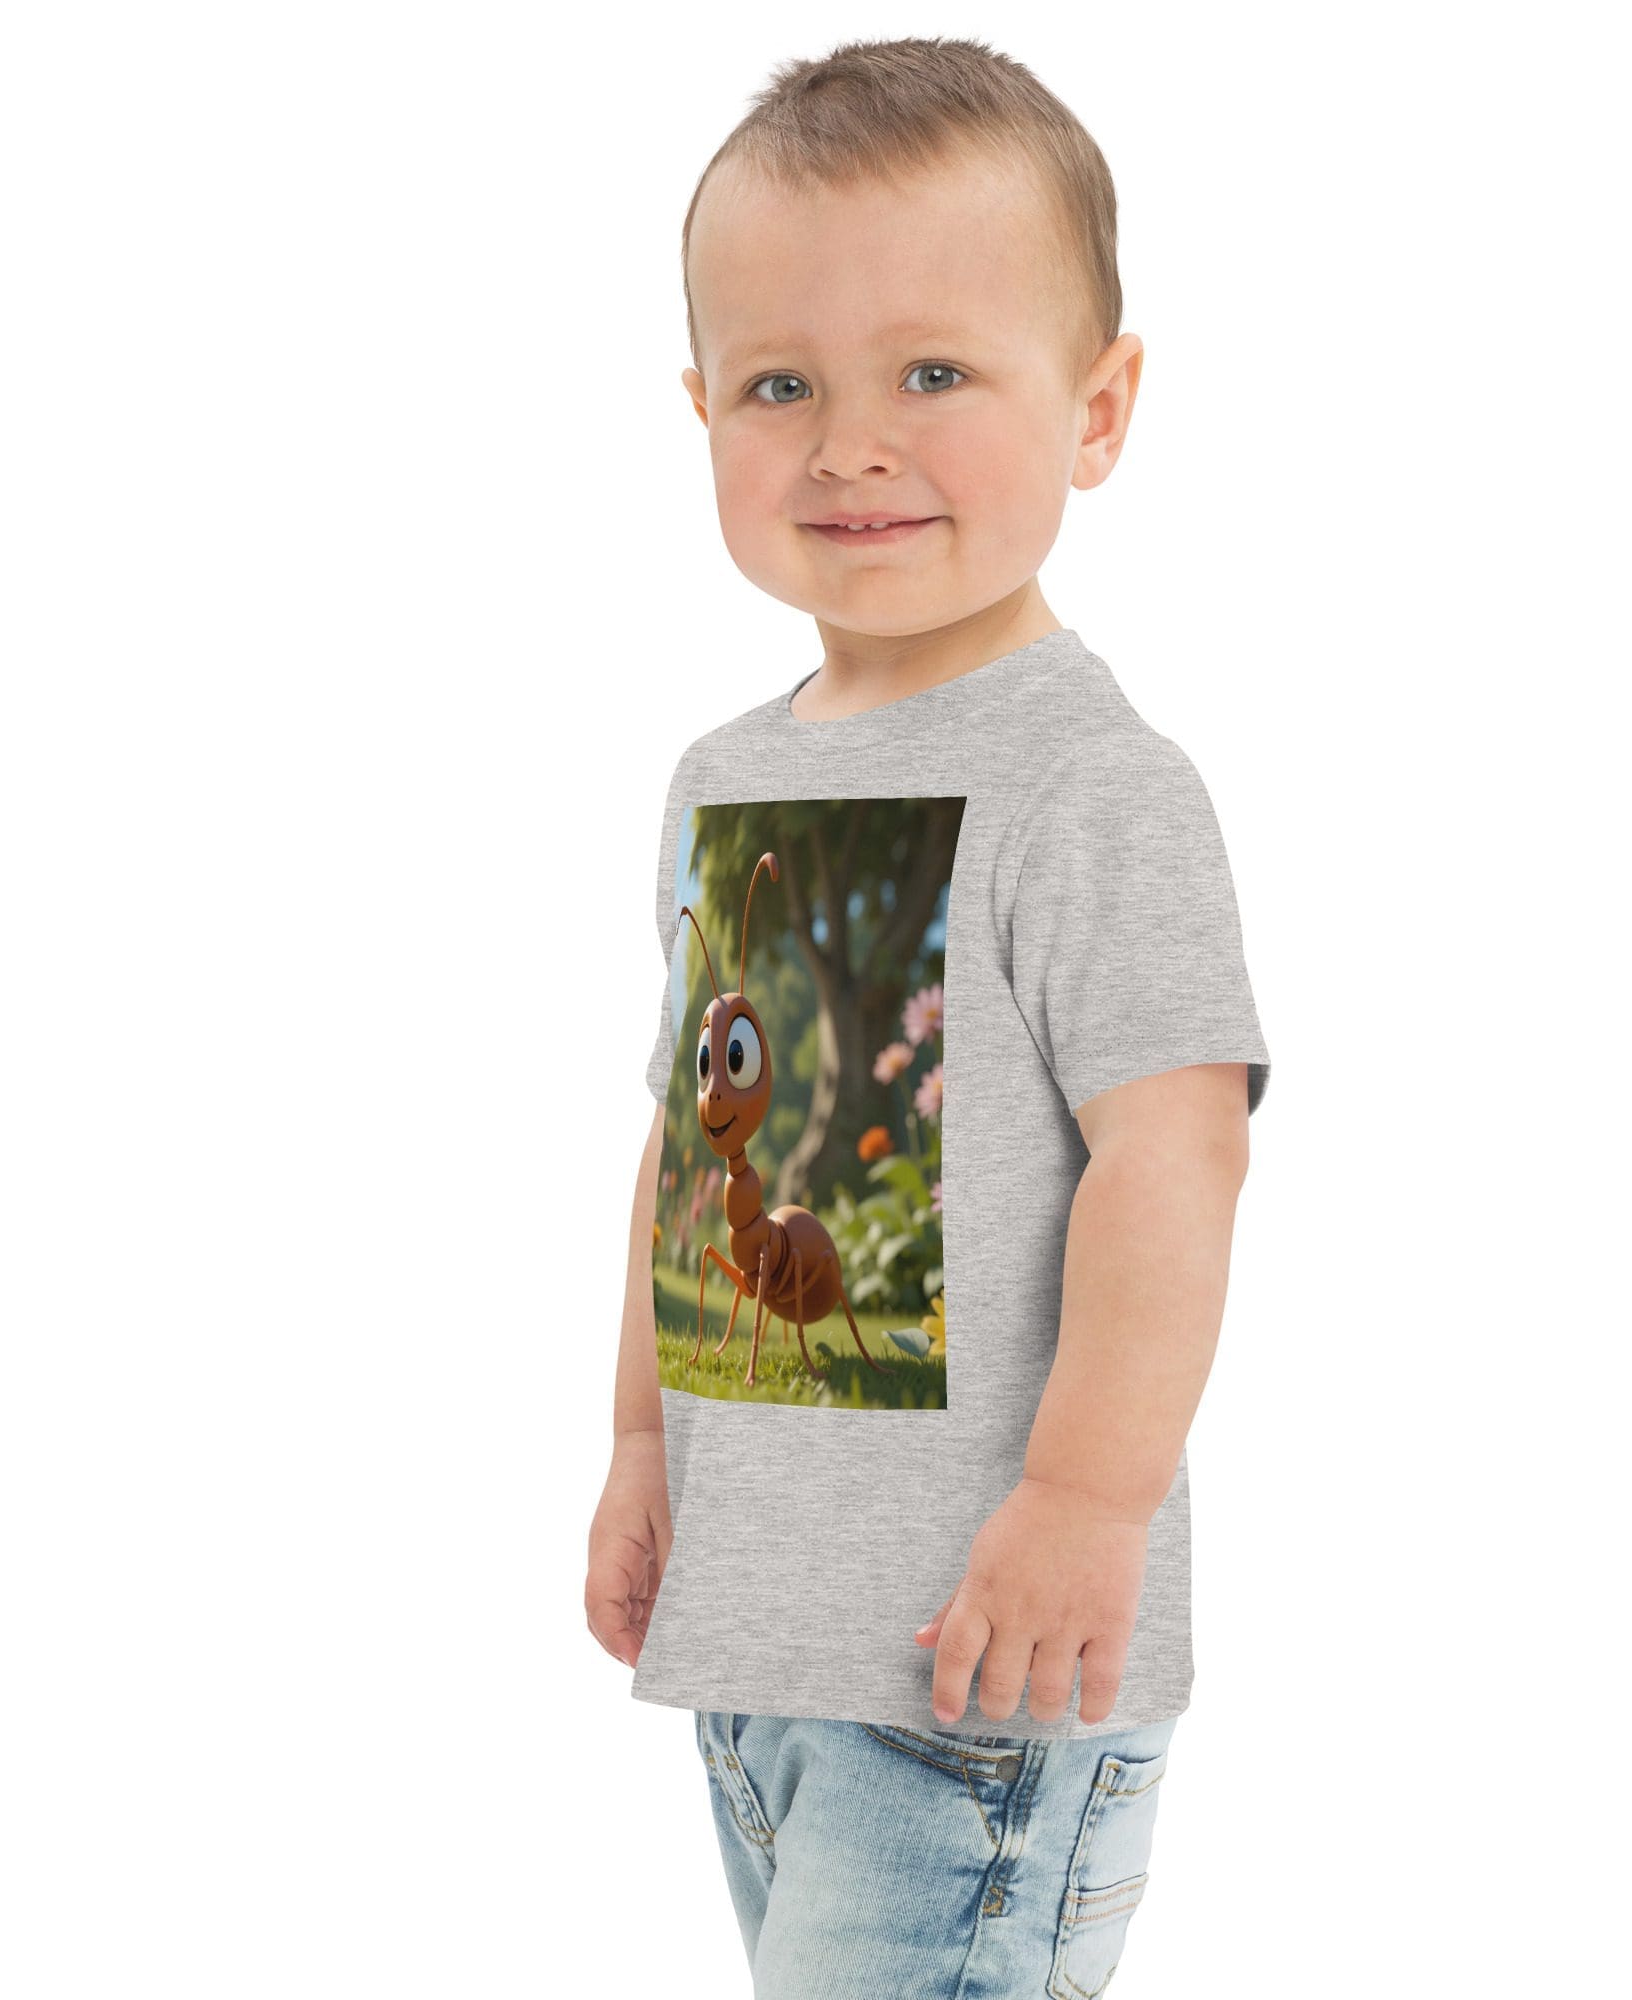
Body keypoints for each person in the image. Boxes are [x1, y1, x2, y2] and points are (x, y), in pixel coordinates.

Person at [585, 36, 1272, 1998]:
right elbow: (692, 1151)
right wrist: (641, 1439)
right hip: (763, 1660)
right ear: (702, 408)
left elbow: (1176, 1152)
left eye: (935, 375)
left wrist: (1085, 1497)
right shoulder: (723, 778)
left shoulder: (1093, 786)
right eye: (780, 385)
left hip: (984, 1674)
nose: (849, 445)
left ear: (1098, 408)